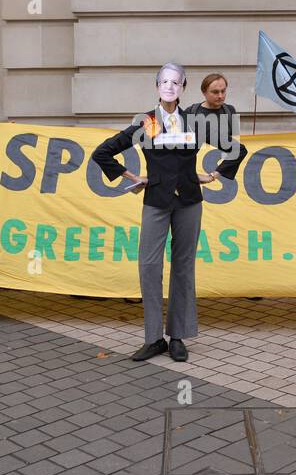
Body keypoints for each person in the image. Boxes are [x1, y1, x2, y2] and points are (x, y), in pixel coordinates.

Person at [93, 62, 247, 363]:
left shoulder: (196, 122)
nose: (170, 87)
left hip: (189, 201)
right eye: (164, 81)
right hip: (156, 201)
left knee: (183, 266)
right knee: (149, 266)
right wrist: (132, 177)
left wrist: (213, 174)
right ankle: (153, 338)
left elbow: (237, 150)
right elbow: (103, 152)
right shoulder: (146, 122)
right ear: (157, 86)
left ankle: (177, 336)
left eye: (176, 82)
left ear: (183, 87)